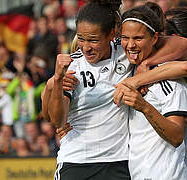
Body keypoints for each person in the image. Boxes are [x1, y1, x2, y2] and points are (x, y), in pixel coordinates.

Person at [114, 7, 187, 180]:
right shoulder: (160, 69)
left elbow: (184, 66)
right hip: (184, 170)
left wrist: (138, 79)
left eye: (162, 37)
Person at [45, 2, 132, 180]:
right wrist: (57, 81)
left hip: (118, 162)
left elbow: (177, 43)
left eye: (93, 40)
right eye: (81, 39)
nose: (86, 47)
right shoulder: (73, 66)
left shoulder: (127, 52)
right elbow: (57, 120)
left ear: (111, 35)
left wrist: (142, 74)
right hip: (76, 162)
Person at [118, 5, 187, 179]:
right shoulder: (129, 68)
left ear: (155, 38)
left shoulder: (169, 80)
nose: (130, 45)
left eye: (138, 38)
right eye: (125, 38)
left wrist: (143, 106)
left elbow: (176, 136)